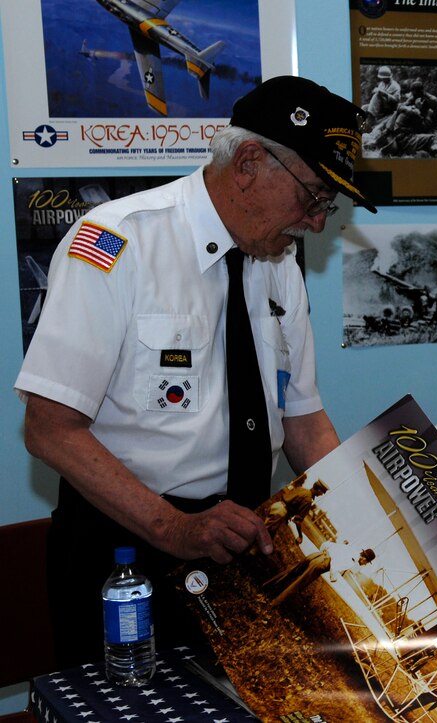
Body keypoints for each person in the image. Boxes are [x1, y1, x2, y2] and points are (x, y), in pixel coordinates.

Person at [15, 75, 378, 667]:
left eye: (326, 206)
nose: (317, 222)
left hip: (239, 544)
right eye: (313, 197)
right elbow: (50, 429)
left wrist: (374, 517)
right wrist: (173, 530)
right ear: (250, 164)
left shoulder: (278, 260)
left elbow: (305, 423)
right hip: (126, 552)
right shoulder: (117, 242)